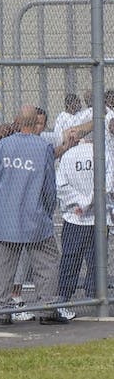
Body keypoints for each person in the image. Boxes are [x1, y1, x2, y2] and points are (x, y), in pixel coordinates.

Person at [0, 105, 66, 325]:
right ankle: (48, 308)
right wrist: (49, 210)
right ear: (36, 122)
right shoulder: (43, 148)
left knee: (4, 267)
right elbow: (49, 186)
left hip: (5, 217)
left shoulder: (3, 145)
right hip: (34, 217)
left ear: (17, 121)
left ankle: (2, 311)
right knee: (47, 264)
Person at [54, 132, 112, 321]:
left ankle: (63, 298)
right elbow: (108, 185)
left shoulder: (69, 156)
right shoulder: (103, 154)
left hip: (75, 217)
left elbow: (61, 185)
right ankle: (97, 295)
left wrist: (81, 202)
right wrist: (91, 200)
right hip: (99, 217)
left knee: (71, 258)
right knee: (98, 259)